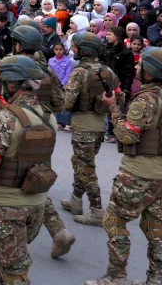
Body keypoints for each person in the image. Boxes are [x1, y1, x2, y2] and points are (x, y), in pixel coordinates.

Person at [84, 47, 162, 285]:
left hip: (138, 173)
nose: (138, 67)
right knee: (155, 226)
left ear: (152, 71)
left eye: (142, 65)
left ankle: (116, 276)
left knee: (114, 220)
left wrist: (113, 108)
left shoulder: (146, 99)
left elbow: (127, 135)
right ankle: (156, 280)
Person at [0, 55, 58, 285]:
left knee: (15, 272)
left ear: (12, 84)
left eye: (3, 83)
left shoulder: (6, 119)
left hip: (7, 206)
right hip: (36, 203)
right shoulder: (48, 117)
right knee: (5, 264)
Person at [62, 31, 119, 225]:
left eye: (75, 46)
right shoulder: (108, 70)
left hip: (83, 126)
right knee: (82, 163)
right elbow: (117, 93)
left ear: (83, 50)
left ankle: (96, 210)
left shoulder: (80, 72)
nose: (73, 49)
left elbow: (67, 103)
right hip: (100, 126)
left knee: (86, 169)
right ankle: (75, 200)